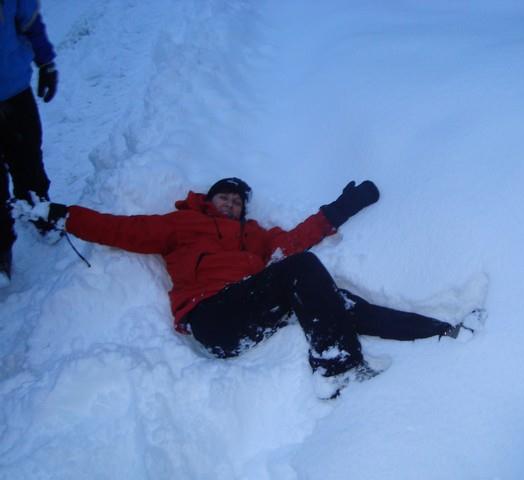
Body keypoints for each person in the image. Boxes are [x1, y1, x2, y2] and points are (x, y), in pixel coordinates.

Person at [29, 178, 481, 398]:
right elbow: (121, 229)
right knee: (303, 272)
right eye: (223, 197)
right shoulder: (179, 225)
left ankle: (439, 330)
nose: (231, 203)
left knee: (337, 302)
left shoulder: (257, 238)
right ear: (209, 200)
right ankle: (336, 367)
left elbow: (298, 239)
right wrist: (65, 215)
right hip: (212, 318)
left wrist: (345, 205)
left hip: (251, 309)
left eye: (237, 200)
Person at [1, 0, 58, 283]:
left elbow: (30, 21)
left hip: (14, 91)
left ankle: (37, 208)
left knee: (28, 160)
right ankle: (1, 251)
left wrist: (46, 62)